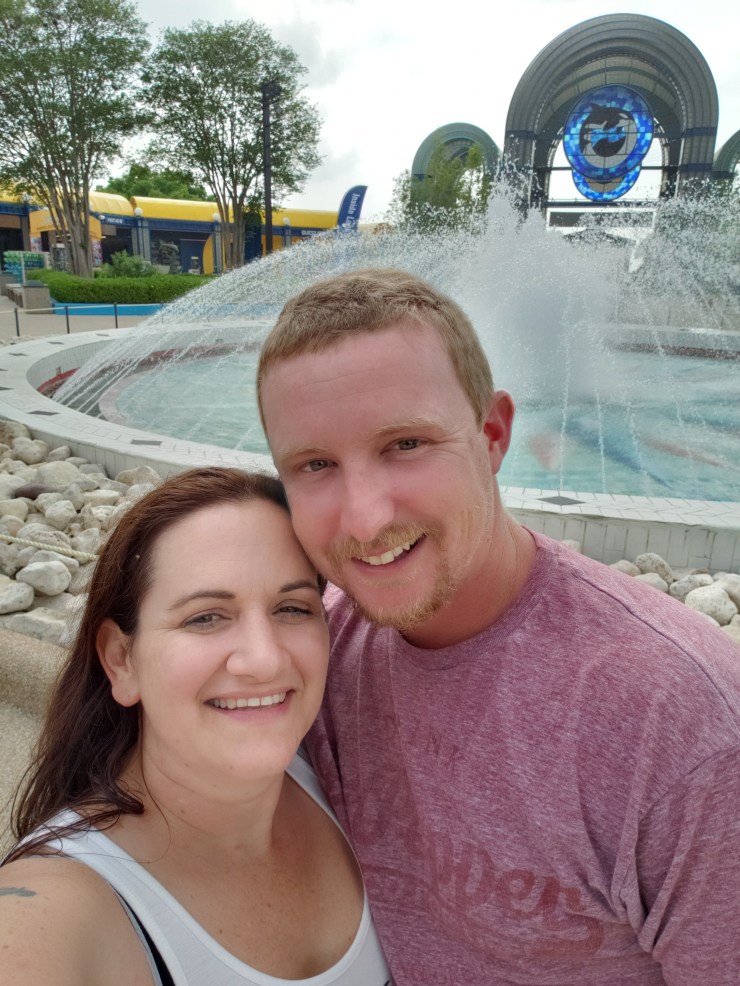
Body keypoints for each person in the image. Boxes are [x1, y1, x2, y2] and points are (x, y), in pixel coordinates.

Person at [256, 268, 740, 986]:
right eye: (316, 463)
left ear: (492, 436)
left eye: (406, 444)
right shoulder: (312, 661)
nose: (364, 519)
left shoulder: (678, 724)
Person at [0, 467, 391, 986]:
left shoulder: (343, 774)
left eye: (292, 608)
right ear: (121, 660)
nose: (264, 659)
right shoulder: (54, 913)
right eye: (205, 617)